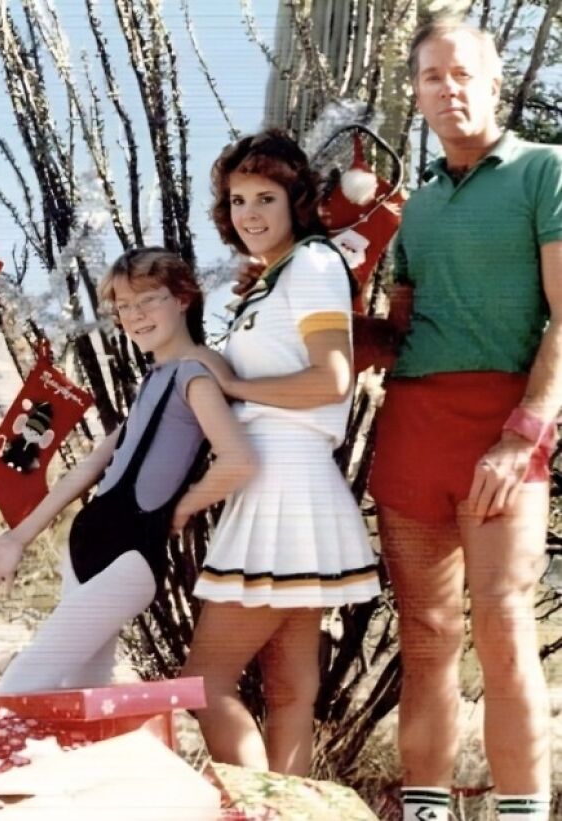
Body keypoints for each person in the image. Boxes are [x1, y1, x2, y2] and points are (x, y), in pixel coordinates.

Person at [0, 248, 256, 820]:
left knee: (26, 682)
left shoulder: (196, 373)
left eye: (150, 299)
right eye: (124, 305)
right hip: (89, 549)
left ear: (185, 298)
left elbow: (239, 459)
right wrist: (17, 539)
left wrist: (180, 510)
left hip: (128, 559)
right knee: (76, 701)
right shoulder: (156, 379)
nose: (137, 314)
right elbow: (87, 468)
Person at [368, 20, 562, 821]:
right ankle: (425, 811)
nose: (448, 90)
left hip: (504, 428)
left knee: (504, 620)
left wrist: (525, 434)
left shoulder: (544, 171)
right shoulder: (417, 206)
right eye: (431, 79)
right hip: (414, 427)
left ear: (492, 80)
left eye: (462, 74)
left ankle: (520, 810)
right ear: (415, 95)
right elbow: (397, 333)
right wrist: (298, 296)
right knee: (426, 632)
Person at [182, 130, 381, 777]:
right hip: (278, 481)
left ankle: (254, 811)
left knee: (203, 681)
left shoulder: (314, 263)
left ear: (297, 200)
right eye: (238, 199)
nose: (250, 213)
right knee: (289, 686)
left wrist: (230, 382)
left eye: (266, 196)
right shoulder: (271, 278)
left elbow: (331, 378)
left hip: (284, 482)